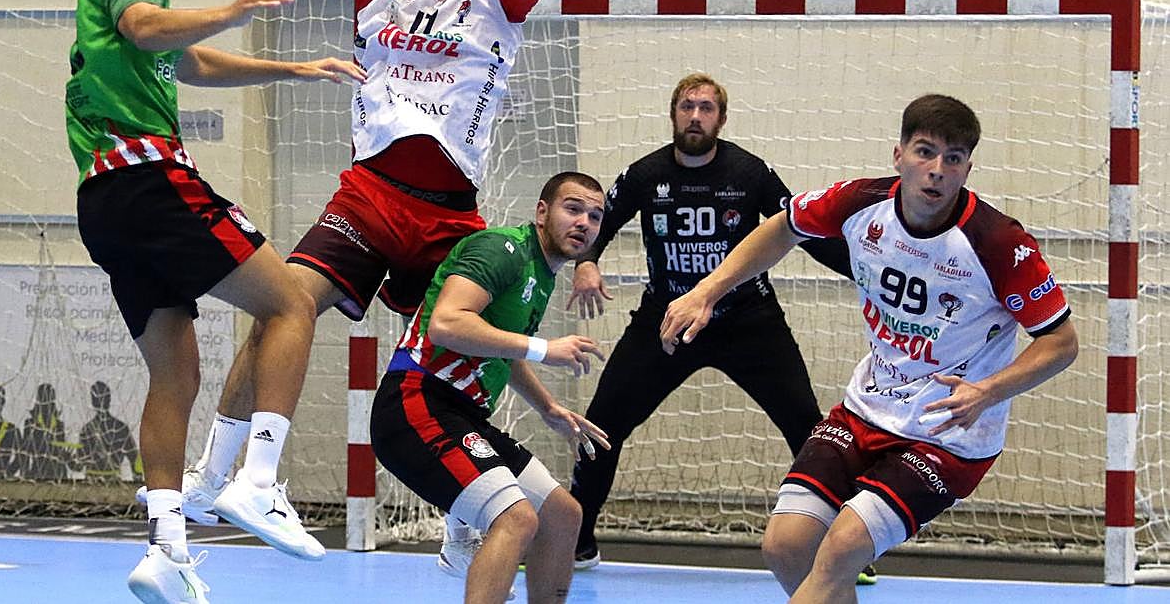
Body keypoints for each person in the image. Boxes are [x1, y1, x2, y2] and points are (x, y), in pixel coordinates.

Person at [143, 0, 557, 573]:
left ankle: (465, 506)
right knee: (283, 306)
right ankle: (216, 477)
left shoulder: (498, 3)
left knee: (471, 345)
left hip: (449, 213)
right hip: (369, 196)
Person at [67, 0, 365, 603]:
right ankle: (256, 480)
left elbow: (188, 61)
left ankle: (166, 549)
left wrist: (293, 70)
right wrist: (235, 7)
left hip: (103, 201)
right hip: (151, 181)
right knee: (290, 303)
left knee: (175, 376)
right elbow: (146, 28)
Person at [660, 94, 1079, 604]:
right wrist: (707, 290)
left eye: (953, 158)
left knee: (843, 549)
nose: (936, 169)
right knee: (786, 546)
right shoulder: (861, 203)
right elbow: (784, 227)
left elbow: (1061, 342)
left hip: (947, 434)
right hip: (867, 409)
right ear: (898, 155)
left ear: (968, 169)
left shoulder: (997, 243)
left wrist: (987, 391)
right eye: (924, 152)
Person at [564, 72, 854, 571]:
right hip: (668, 322)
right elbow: (598, 226)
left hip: (748, 322)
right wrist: (585, 263)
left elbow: (801, 228)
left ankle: (843, 550)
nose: (695, 117)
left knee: (809, 430)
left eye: (706, 108)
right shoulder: (645, 175)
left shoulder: (749, 173)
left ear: (721, 119)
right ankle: (575, 542)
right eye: (687, 107)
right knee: (602, 426)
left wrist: (865, 272)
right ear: (673, 114)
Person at [371, 171, 610, 604]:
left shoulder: (541, 273)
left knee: (562, 515)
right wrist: (544, 349)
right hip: (416, 403)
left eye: (595, 216)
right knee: (517, 518)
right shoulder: (502, 250)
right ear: (542, 212)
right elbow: (447, 323)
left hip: (462, 415)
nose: (584, 223)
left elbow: (499, 348)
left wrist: (548, 407)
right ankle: (461, 538)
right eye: (573, 209)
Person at [76, 381, 141, 482]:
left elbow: (134, 458)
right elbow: (80, 463)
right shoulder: (119, 427)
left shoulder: (119, 428)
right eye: (98, 399)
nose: (100, 402)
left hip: (103, 482)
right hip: (99, 482)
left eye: (102, 398)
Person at [17, 382, 73, 480]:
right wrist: (25, 476)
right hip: (37, 473)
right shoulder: (30, 424)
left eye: (49, 399)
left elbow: (60, 450)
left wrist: (66, 456)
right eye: (44, 399)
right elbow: (25, 453)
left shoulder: (59, 425)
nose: (47, 403)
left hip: (58, 473)